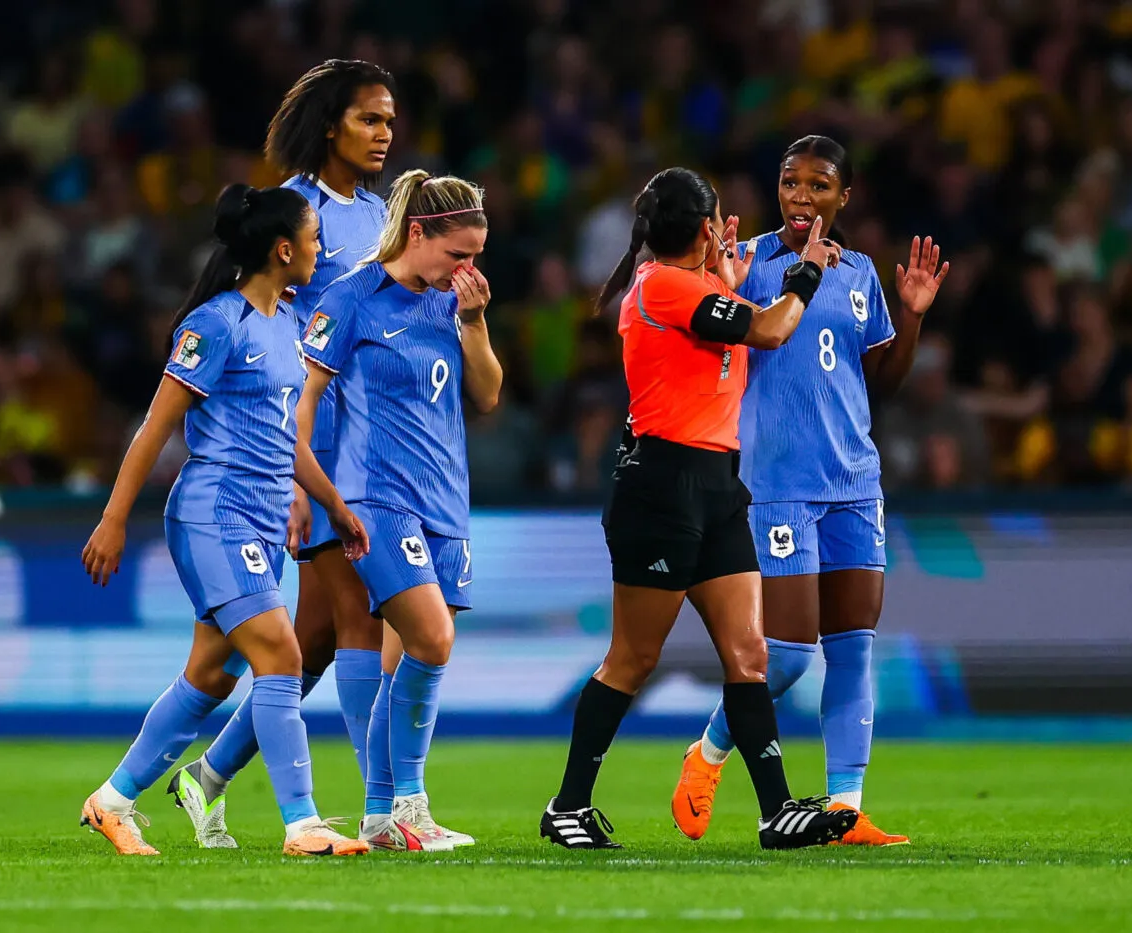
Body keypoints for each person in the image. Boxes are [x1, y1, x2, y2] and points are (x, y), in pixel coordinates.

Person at [539, 167, 858, 850]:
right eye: (716, 220)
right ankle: (566, 804)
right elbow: (771, 330)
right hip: (662, 487)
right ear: (706, 225)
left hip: (716, 483)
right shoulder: (662, 284)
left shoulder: (688, 285)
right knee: (633, 657)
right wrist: (805, 273)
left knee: (749, 652)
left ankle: (776, 812)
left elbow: (713, 324)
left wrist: (727, 276)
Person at [78, 183, 372, 857]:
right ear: (281, 248)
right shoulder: (214, 324)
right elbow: (157, 425)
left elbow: (285, 437)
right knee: (283, 655)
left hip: (266, 520)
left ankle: (112, 800)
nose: (320, 248)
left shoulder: (288, 321)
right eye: (313, 236)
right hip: (215, 513)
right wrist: (114, 518)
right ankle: (303, 823)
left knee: (212, 675)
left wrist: (331, 503)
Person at [672, 136, 948, 847]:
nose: (801, 197)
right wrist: (723, 285)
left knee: (854, 647)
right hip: (777, 487)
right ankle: (706, 754)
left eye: (818, 186)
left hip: (854, 484)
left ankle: (846, 809)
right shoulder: (752, 263)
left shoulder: (858, 274)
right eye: (791, 183)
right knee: (788, 656)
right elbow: (714, 345)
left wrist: (911, 315)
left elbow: (882, 382)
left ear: (844, 197)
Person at [168, 59, 396, 849]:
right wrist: (296, 472)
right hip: (313, 449)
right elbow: (282, 338)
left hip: (378, 446)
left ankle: (206, 776)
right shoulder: (297, 211)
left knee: (314, 643)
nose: (384, 134)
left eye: (391, 121)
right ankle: (388, 809)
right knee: (357, 618)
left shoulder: (381, 214)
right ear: (332, 124)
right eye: (370, 119)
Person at [299, 169, 501, 851]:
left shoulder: (453, 304)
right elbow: (306, 398)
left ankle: (381, 813)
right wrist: (303, 486)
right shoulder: (352, 296)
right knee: (433, 639)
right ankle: (408, 803)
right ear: (419, 232)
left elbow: (489, 392)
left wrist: (474, 322)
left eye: (475, 257)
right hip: (374, 498)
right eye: (456, 255)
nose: (465, 269)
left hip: (445, 499)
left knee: (402, 662)